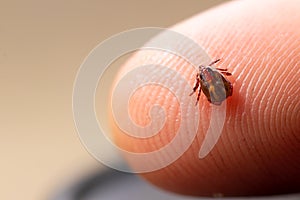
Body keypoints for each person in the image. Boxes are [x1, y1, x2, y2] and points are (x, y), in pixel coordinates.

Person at [109, 0, 300, 196]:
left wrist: (197, 92)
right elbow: (220, 77)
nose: (202, 70)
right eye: (203, 71)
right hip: (219, 87)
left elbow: (202, 87)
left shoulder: (202, 77)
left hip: (217, 89)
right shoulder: (212, 72)